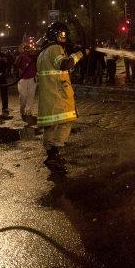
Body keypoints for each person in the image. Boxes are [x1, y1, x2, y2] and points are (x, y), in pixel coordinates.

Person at [37, 22, 87, 173]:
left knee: (51, 126)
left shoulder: (43, 52)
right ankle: (55, 152)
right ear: (57, 34)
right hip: (58, 95)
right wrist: (79, 54)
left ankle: (51, 155)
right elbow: (64, 64)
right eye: (63, 34)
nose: (64, 37)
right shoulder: (55, 49)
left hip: (49, 96)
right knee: (66, 122)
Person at [16, 44, 37, 120]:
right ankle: (22, 110)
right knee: (23, 96)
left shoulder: (33, 57)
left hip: (32, 78)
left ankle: (29, 112)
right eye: (26, 48)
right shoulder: (21, 56)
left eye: (28, 48)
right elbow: (16, 64)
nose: (27, 50)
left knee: (31, 96)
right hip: (23, 79)